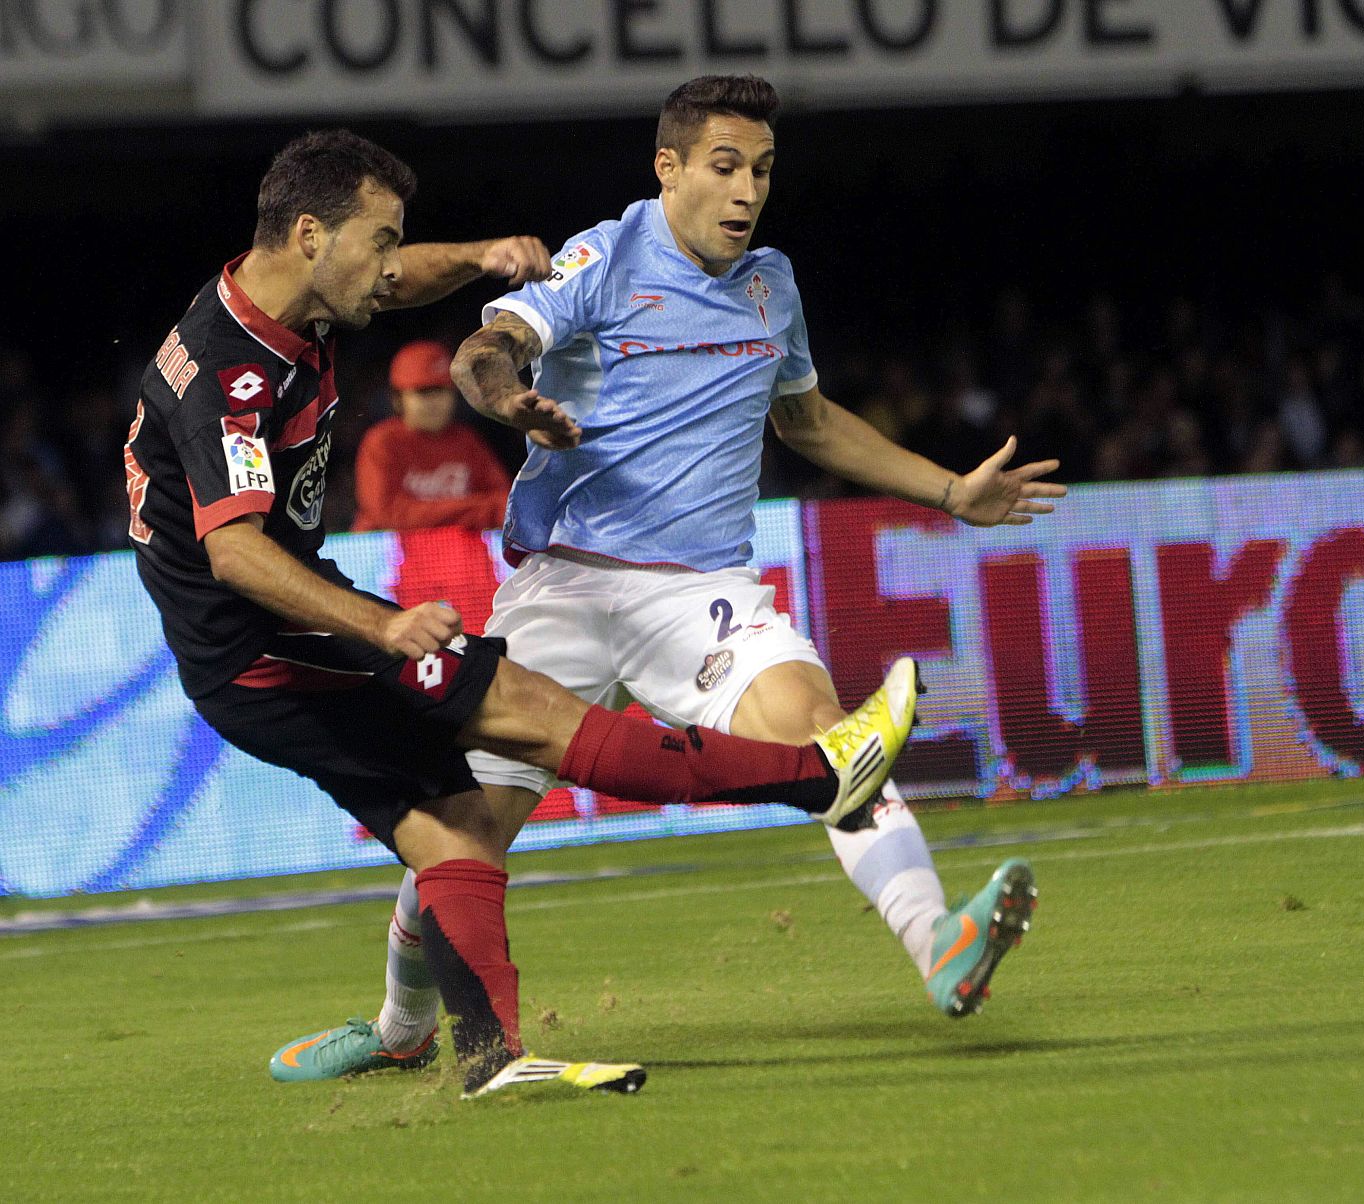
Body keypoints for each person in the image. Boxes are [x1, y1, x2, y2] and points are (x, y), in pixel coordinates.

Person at [278, 75, 1058, 1086]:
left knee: (826, 734)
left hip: (700, 594)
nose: (747, 191)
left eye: (763, 170)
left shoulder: (772, 285)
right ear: (669, 168)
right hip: (564, 587)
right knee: (462, 827)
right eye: (725, 167)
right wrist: (510, 399)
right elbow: (484, 349)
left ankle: (938, 940)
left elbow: (807, 422)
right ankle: (400, 1026)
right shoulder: (604, 257)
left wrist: (950, 491)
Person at [122, 128, 919, 1098]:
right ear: (309, 235)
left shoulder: (287, 293)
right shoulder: (232, 373)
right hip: (269, 641)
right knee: (534, 714)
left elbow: (394, 282)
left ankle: (486, 1057)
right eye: (381, 239)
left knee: (454, 824)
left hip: (252, 650)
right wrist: (381, 627)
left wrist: (478, 256)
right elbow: (235, 551)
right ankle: (821, 776)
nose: (391, 265)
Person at [353, 339, 511, 533]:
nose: (434, 402)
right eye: (423, 392)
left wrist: (432, 513)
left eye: (441, 390)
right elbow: (389, 514)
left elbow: (506, 505)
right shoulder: (382, 441)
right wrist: (479, 509)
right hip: (388, 549)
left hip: (455, 549)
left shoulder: (466, 440)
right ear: (398, 398)